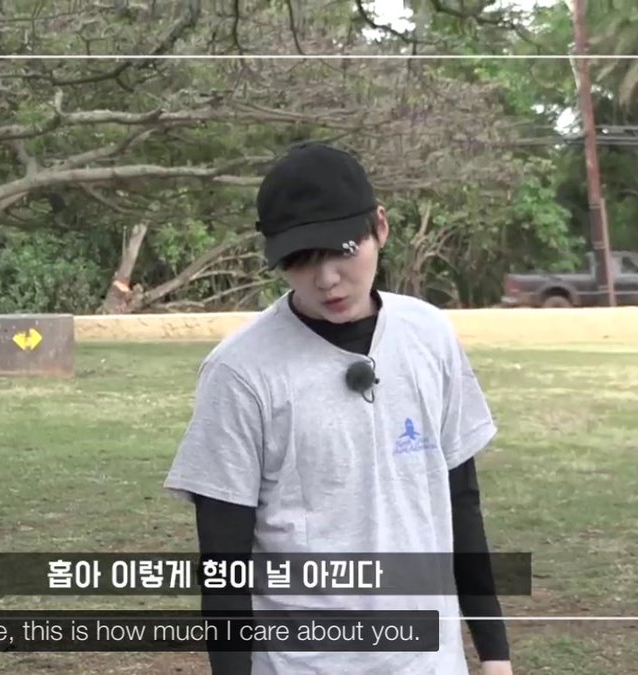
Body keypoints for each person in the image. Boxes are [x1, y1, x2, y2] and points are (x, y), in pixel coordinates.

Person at [163, 142, 512, 674]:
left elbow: (460, 501)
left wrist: (494, 652)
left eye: (342, 249)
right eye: (300, 260)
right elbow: (223, 564)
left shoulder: (429, 335)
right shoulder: (239, 372)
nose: (325, 278)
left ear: (381, 227)